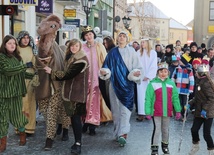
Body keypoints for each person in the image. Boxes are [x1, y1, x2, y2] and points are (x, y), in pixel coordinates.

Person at [43, 39, 89, 154]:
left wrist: (51, 72)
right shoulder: (70, 58)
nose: (73, 48)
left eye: (76, 46)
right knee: (73, 119)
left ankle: (78, 144)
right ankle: (75, 141)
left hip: (77, 94)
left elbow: (68, 75)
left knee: (76, 119)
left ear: (80, 47)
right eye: (72, 46)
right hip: (69, 93)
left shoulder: (81, 60)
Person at [99, 31, 143, 147]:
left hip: (127, 86)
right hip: (114, 85)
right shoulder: (112, 52)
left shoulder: (132, 51)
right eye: (120, 36)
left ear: (127, 39)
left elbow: (137, 67)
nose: (122, 38)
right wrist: (105, 71)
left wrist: (136, 73)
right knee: (115, 111)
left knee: (126, 109)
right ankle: (117, 132)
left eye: (124, 36)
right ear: (117, 39)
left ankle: (123, 134)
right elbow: (106, 66)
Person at [0, 35, 34, 152]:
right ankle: (3, 143)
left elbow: (20, 73)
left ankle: (22, 135)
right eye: (10, 43)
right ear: (4, 45)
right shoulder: (1, 57)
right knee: (2, 119)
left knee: (17, 117)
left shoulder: (17, 58)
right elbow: (7, 71)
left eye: (14, 43)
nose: (12, 45)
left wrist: (34, 75)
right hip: (4, 93)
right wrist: (24, 66)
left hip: (16, 93)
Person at [81, 25, 112, 135]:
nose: (89, 36)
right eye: (86, 35)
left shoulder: (99, 46)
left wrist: (105, 72)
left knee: (94, 101)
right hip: (84, 79)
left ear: (93, 35)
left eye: (90, 34)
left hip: (96, 79)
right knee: (84, 101)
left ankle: (92, 124)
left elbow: (105, 61)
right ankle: (85, 121)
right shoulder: (82, 47)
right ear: (84, 37)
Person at [145, 62, 181, 155]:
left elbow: (175, 98)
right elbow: (148, 98)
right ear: (158, 72)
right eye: (161, 71)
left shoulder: (171, 83)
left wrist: (178, 110)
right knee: (157, 129)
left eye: (165, 71)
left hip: (167, 111)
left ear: (168, 73)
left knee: (165, 129)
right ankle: (154, 148)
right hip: (156, 111)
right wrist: (148, 112)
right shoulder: (152, 84)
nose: (163, 73)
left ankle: (165, 146)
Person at [187, 63, 214, 155]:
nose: (195, 73)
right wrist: (190, 104)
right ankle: (195, 146)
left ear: (200, 73)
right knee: (194, 130)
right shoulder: (199, 81)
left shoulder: (206, 84)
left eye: (196, 72)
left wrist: (205, 110)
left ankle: (211, 150)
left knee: (206, 134)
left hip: (207, 112)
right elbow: (197, 97)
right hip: (199, 111)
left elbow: (211, 98)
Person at [16, 31, 38, 136]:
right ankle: (20, 127)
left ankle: (29, 127)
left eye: (27, 38)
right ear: (20, 39)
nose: (26, 40)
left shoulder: (32, 49)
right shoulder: (16, 50)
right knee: (20, 103)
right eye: (23, 38)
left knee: (30, 102)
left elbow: (36, 63)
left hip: (30, 78)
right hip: (18, 79)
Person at [136, 38, 157, 121]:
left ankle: (149, 112)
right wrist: (139, 74)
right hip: (140, 78)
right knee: (140, 96)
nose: (142, 44)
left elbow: (153, 65)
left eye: (143, 42)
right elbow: (136, 64)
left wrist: (148, 76)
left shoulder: (153, 53)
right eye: (141, 42)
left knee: (149, 95)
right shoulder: (138, 53)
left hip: (149, 79)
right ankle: (141, 113)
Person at [171, 53, 194, 120]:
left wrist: (190, 89)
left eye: (180, 60)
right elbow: (173, 77)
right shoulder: (177, 69)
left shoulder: (189, 70)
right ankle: (180, 114)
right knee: (179, 103)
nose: (179, 61)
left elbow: (192, 80)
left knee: (185, 103)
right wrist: (172, 85)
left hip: (185, 90)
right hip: (178, 89)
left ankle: (185, 115)